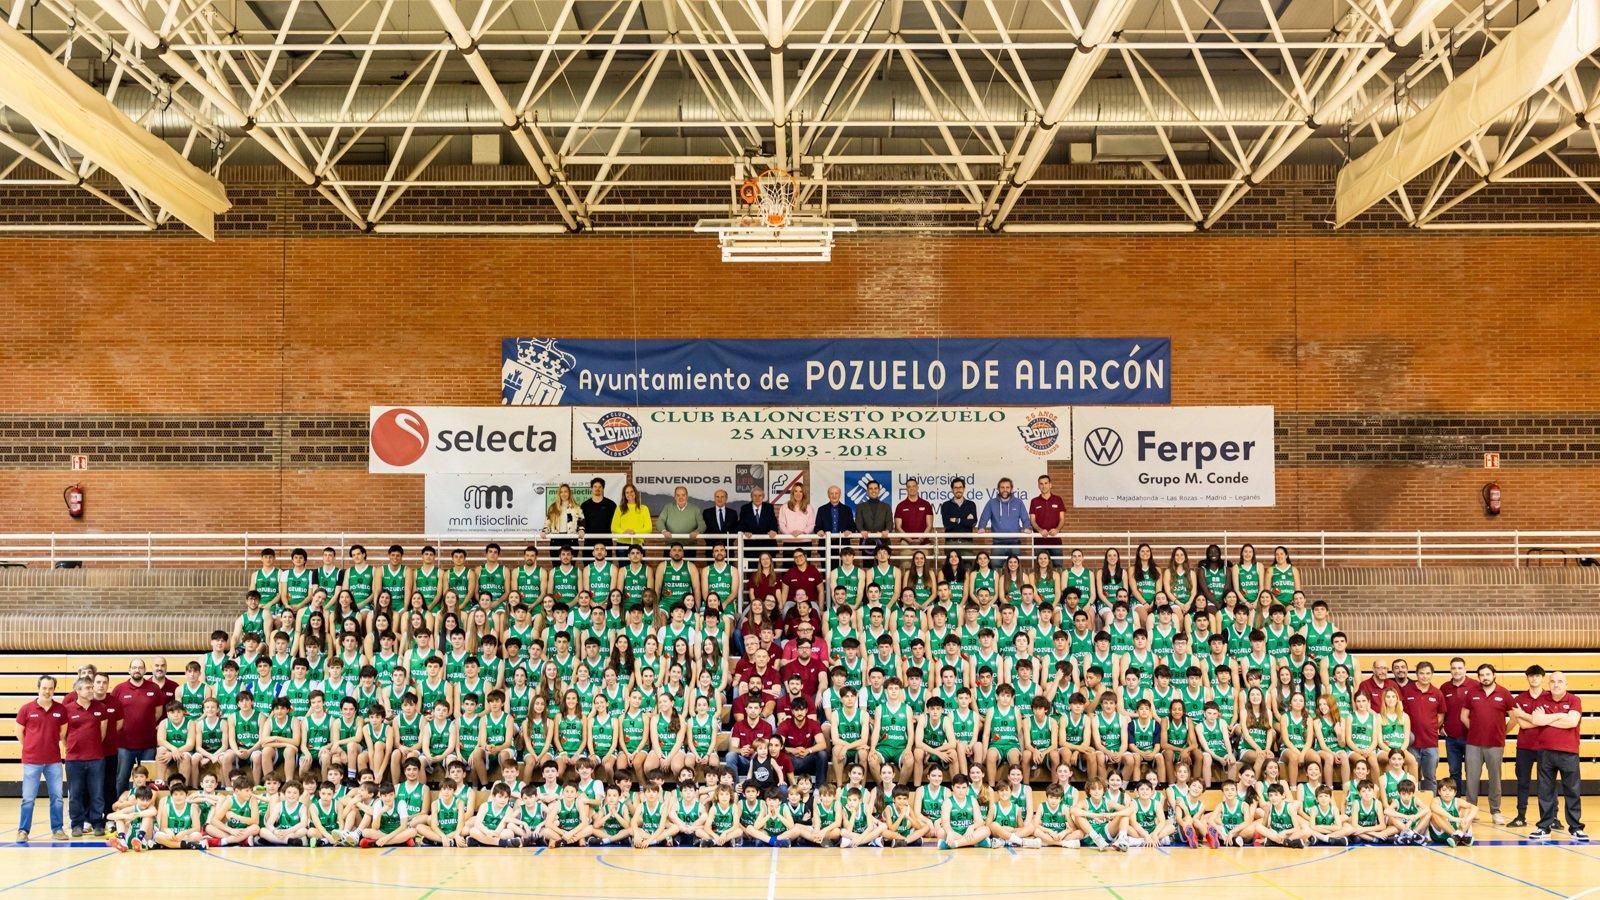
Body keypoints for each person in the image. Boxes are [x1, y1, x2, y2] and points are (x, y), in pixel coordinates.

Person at [1528, 671, 1586, 841]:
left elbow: (1572, 722)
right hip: (1545, 752)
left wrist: (1548, 718)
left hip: (1569, 753)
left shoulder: (1574, 700)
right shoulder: (1541, 700)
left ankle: (1576, 827)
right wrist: (1561, 716)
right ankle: (1544, 827)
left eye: (1560, 681)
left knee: (1572, 791)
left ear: (1566, 684)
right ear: (1549, 684)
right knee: (1545, 791)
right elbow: (1536, 720)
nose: (1556, 684)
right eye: (1552, 681)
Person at [14, 675, 67, 842]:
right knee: (28, 798)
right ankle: (23, 831)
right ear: (38, 688)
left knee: (57, 797)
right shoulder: (26, 709)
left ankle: (57, 829)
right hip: (32, 761)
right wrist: (31, 747)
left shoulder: (61, 709)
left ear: (54, 690)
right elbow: (19, 733)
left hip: (53, 761)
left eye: (51, 688)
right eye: (44, 688)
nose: (47, 691)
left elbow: (62, 733)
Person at [1460, 662, 1512, 825]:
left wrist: (1503, 732)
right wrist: (1475, 729)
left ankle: (1495, 811)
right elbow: (1463, 716)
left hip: (1495, 744)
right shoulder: (1472, 692)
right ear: (1478, 677)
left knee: (1495, 778)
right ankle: (1471, 809)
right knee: (1472, 779)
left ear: (1494, 675)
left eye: (1488, 674)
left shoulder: (1504, 693)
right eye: (1482, 675)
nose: (1485, 677)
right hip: (1473, 744)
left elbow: (1515, 717)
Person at [63, 675, 110, 836]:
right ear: (78, 690)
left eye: (92, 687)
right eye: (88, 688)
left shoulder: (100, 707)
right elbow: (62, 734)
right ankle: (77, 824)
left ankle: (97, 823)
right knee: (75, 793)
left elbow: (102, 732)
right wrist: (71, 747)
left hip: (96, 758)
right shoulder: (68, 709)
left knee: (97, 792)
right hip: (74, 760)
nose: (92, 690)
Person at [111, 659, 166, 796]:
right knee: (122, 778)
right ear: (129, 670)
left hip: (148, 744)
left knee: (147, 779)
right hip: (124, 744)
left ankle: (146, 805)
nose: (137, 670)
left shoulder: (154, 688)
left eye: (140, 668)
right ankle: (120, 808)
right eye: (134, 667)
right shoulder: (119, 689)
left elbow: (158, 712)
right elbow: (114, 714)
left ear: (145, 670)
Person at [1400, 660, 1444, 792]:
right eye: (1422, 673)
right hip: (1412, 743)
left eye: (1428, 673)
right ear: (1416, 674)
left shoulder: (1437, 693)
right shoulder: (1406, 691)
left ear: (1432, 675)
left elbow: (1441, 715)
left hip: (1430, 742)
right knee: (1413, 777)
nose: (1425, 676)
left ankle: (1431, 804)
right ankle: (1414, 803)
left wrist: (1431, 727)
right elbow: (1400, 713)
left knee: (1430, 777)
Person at [977, 478, 1028, 554]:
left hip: (1015, 542)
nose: (1005, 490)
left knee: (1015, 565)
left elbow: (1025, 518)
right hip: (998, 543)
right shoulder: (991, 503)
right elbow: (984, 518)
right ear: (998, 489)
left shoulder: (1018, 502)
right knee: (995, 565)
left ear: (1011, 489)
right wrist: (981, 527)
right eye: (1002, 487)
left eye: (1007, 487)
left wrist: (1027, 527)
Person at [1027, 475, 1066, 558]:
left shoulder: (1058, 499)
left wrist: (1057, 529)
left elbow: (1062, 519)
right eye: (1041, 484)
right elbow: (1032, 520)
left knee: (1057, 566)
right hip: (1039, 541)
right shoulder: (1034, 501)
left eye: (1046, 483)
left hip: (1055, 540)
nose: (1043, 486)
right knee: (1039, 567)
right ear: (1038, 486)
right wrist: (1040, 530)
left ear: (1050, 485)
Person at [738, 487, 780, 555]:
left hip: (767, 546)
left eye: (760, 496)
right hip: (751, 547)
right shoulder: (745, 508)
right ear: (751, 497)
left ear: (763, 497)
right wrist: (745, 532)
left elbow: (773, 522)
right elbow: (741, 524)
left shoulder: (769, 507)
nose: (757, 498)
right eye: (755, 496)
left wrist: (773, 530)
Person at [893, 478, 934, 546]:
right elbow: (898, 527)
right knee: (904, 552)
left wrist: (920, 539)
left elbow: (929, 526)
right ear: (906, 489)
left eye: (914, 486)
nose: (912, 488)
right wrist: (910, 540)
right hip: (906, 542)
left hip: (924, 542)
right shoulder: (900, 506)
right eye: (909, 487)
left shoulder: (926, 504)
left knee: (925, 554)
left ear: (917, 487)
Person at [544, 483, 581, 558]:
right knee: (556, 565)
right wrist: (544, 531)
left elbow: (581, 521)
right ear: (559, 494)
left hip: (571, 539)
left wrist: (581, 530)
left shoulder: (576, 507)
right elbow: (548, 523)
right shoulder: (553, 507)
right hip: (556, 539)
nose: (563, 494)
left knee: (571, 565)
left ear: (569, 493)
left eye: (566, 491)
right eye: (561, 492)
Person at [853, 481, 893, 550]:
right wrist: (861, 530)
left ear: (879, 490)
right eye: (870, 488)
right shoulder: (860, 506)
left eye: (875, 488)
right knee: (867, 561)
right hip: (866, 543)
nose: (873, 490)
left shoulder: (887, 507)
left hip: (883, 543)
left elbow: (890, 522)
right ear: (867, 491)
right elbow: (858, 522)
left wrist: (887, 530)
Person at [611, 483, 653, 549]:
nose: (629, 494)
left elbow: (648, 528)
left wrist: (634, 533)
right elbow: (614, 527)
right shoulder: (619, 508)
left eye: (631, 491)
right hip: (622, 544)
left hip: (638, 544)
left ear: (635, 493)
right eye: (627, 492)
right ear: (624, 495)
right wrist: (624, 532)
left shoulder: (644, 508)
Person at [580, 478, 617, 548]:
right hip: (589, 542)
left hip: (606, 542)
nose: (597, 489)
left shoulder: (611, 505)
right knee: (588, 559)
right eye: (595, 486)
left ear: (603, 488)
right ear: (591, 488)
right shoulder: (585, 505)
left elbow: (615, 522)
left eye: (600, 487)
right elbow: (581, 523)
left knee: (607, 560)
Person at [777, 483, 815, 547]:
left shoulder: (809, 507)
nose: (798, 494)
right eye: (796, 491)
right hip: (789, 541)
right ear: (792, 493)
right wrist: (790, 534)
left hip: (805, 541)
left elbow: (811, 524)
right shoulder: (785, 506)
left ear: (803, 494)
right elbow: (781, 524)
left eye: (801, 491)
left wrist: (802, 532)